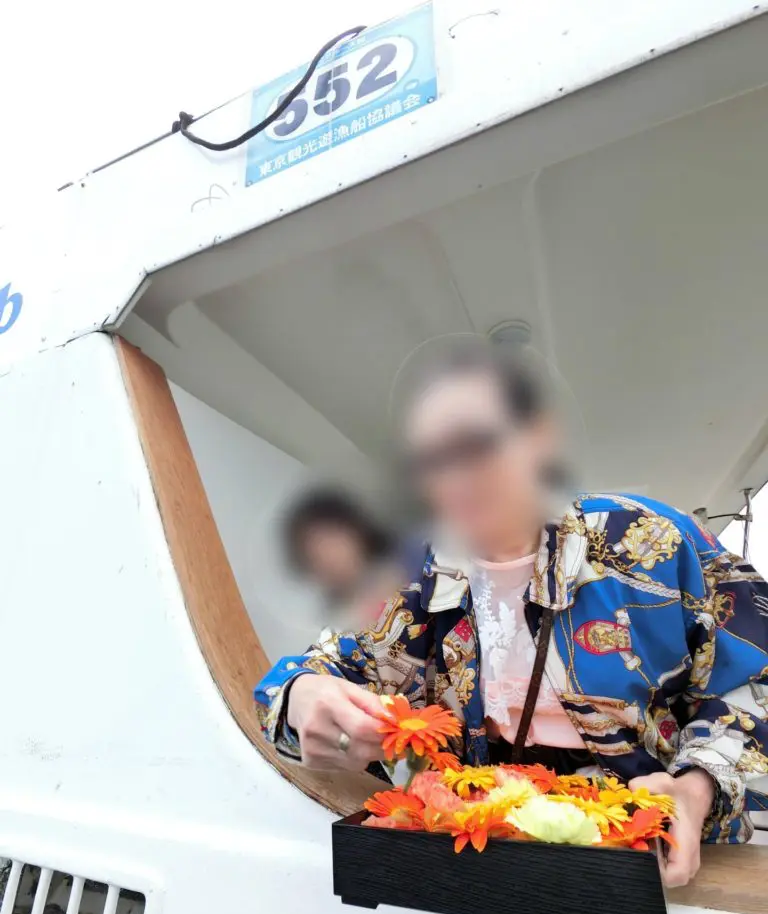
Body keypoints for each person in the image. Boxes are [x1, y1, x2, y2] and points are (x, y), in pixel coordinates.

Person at [255, 342, 768, 886]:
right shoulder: (409, 575)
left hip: (660, 863)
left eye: (475, 444)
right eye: (429, 461)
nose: (454, 478)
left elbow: (756, 676)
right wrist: (302, 697)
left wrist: (696, 787)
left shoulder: (653, 542)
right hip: (482, 860)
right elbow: (306, 676)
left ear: (539, 435)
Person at [282, 486, 397, 630]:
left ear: (356, 531)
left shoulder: (409, 567)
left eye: (332, 542)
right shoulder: (337, 626)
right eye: (316, 558)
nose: (332, 559)